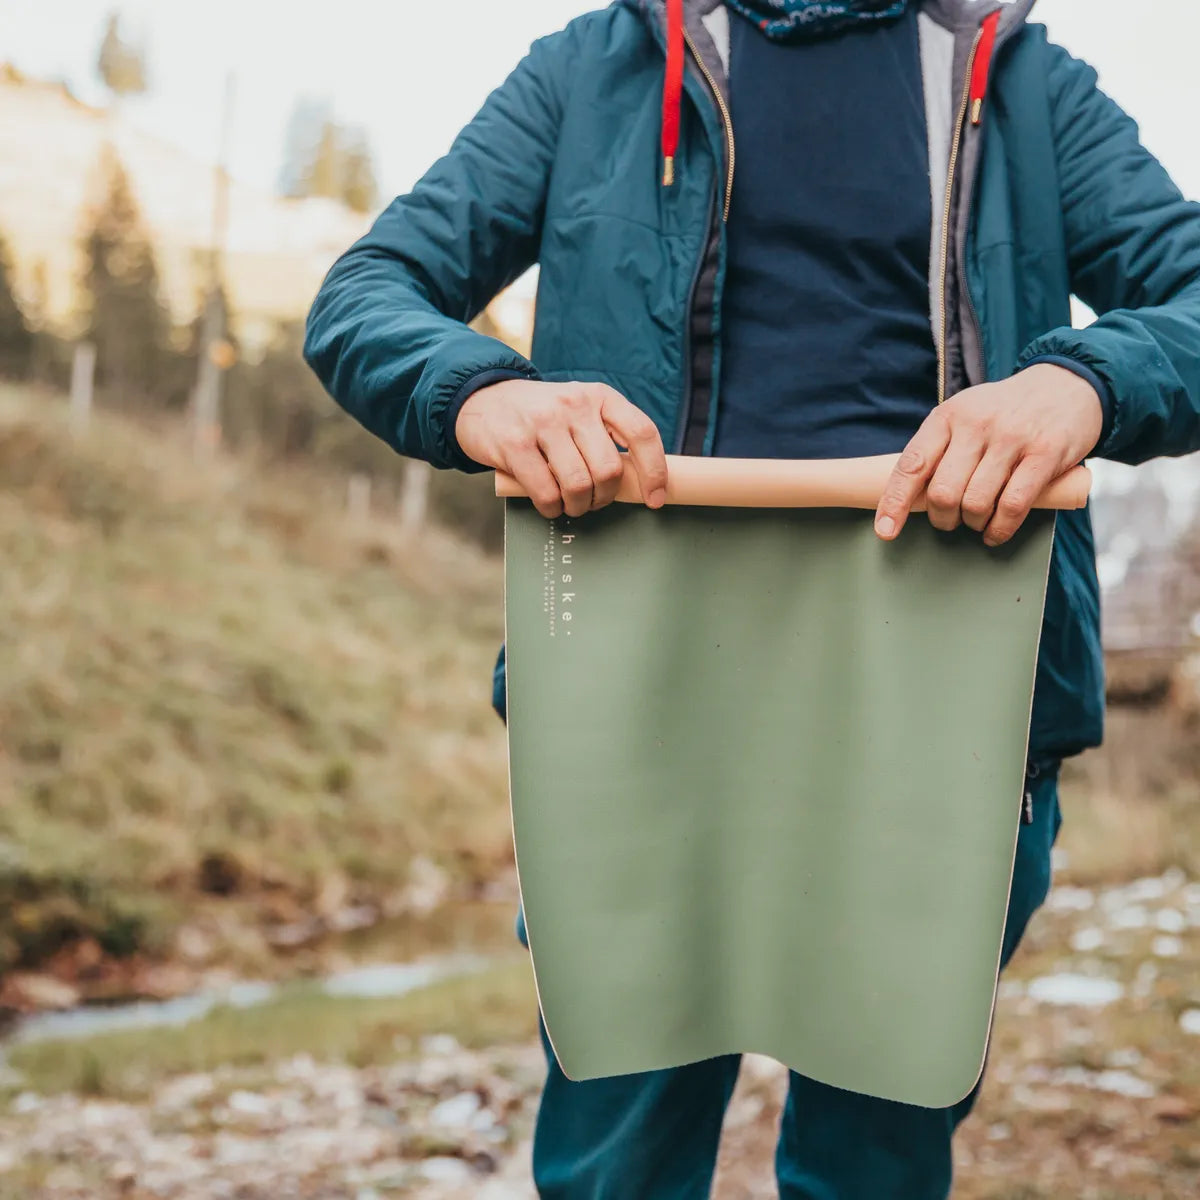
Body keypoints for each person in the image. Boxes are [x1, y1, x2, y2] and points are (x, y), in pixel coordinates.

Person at [305, 1, 1200, 1195]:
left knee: (876, 1164)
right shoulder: (592, 68)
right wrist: (485, 395)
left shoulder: (1023, 80)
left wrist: (1083, 381)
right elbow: (365, 291)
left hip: (953, 696)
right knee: (614, 1164)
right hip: (637, 695)